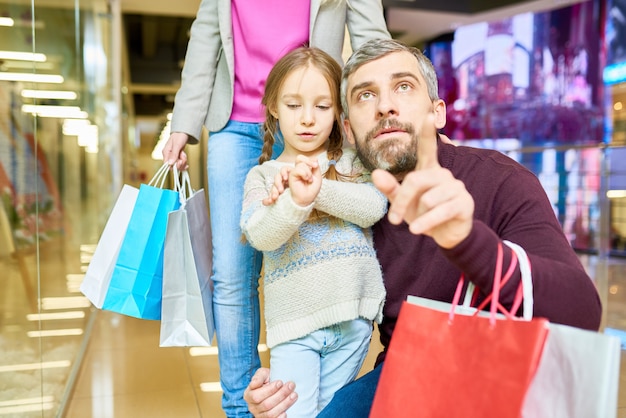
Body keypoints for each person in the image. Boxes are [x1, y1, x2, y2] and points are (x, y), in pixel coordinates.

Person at [243, 38, 603, 418]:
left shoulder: (500, 181)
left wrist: (469, 243)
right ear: (347, 130)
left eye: (403, 86)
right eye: (365, 95)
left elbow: (582, 312)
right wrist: (278, 399)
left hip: (502, 376)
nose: (385, 106)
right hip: (408, 371)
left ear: (437, 113)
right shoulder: (354, 202)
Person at [159, 1, 390, 416]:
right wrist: (183, 121)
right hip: (235, 119)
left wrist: (387, 112)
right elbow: (206, 36)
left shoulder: (329, 126)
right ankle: (240, 409)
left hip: (315, 101)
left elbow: (372, 37)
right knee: (231, 274)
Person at [240, 46, 387, 417]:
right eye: (293, 106)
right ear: (273, 106)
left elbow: (373, 207)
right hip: (295, 328)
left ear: (338, 111)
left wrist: (317, 189)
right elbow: (261, 234)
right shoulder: (262, 176)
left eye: (322, 107)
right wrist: (294, 201)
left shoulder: (351, 162)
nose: (308, 119)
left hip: (353, 322)